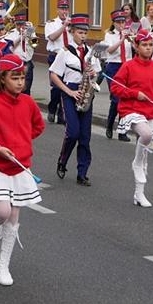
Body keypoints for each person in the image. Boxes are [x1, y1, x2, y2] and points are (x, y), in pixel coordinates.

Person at [0, 54, 45, 287]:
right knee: (3, 211)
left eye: (22, 77)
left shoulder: (28, 103)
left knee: (14, 218)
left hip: (20, 166)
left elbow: (38, 126)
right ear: (3, 78)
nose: (20, 82)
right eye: (15, 77)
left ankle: (3, 265)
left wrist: (21, 142)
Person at [112, 29, 153, 207]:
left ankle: (139, 194)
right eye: (144, 45)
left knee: (145, 154)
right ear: (136, 47)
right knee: (147, 134)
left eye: (150, 45)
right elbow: (115, 88)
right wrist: (135, 94)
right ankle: (136, 163)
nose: (148, 48)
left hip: (149, 112)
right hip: (131, 110)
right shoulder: (128, 66)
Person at [51, 14, 100, 186]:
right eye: (80, 32)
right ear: (72, 32)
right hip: (70, 92)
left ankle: (82, 173)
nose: (83, 36)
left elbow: (97, 74)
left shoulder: (91, 53)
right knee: (73, 132)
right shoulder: (64, 52)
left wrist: (94, 74)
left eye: (85, 33)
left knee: (85, 136)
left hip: (86, 93)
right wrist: (69, 92)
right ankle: (62, 160)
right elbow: (53, 75)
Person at [103, 9, 134, 142]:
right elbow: (110, 50)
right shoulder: (109, 35)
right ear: (114, 23)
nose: (121, 24)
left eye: (123, 22)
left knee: (125, 99)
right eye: (119, 22)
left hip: (127, 66)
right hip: (113, 67)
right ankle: (110, 125)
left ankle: (122, 131)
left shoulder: (128, 34)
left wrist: (133, 40)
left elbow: (136, 49)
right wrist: (121, 40)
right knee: (116, 99)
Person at [44, 0, 72, 125]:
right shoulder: (51, 23)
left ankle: (62, 115)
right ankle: (52, 108)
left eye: (66, 9)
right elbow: (52, 37)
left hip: (68, 57)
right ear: (57, 10)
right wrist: (64, 26)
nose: (64, 11)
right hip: (55, 56)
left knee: (66, 86)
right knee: (56, 87)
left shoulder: (72, 24)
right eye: (62, 9)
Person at [4, 12, 36, 95]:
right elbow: (9, 48)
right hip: (15, 64)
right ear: (15, 24)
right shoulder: (10, 33)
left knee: (26, 89)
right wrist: (21, 37)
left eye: (22, 24)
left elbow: (35, 45)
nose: (20, 27)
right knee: (15, 89)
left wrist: (30, 34)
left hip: (27, 63)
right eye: (18, 24)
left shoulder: (30, 32)